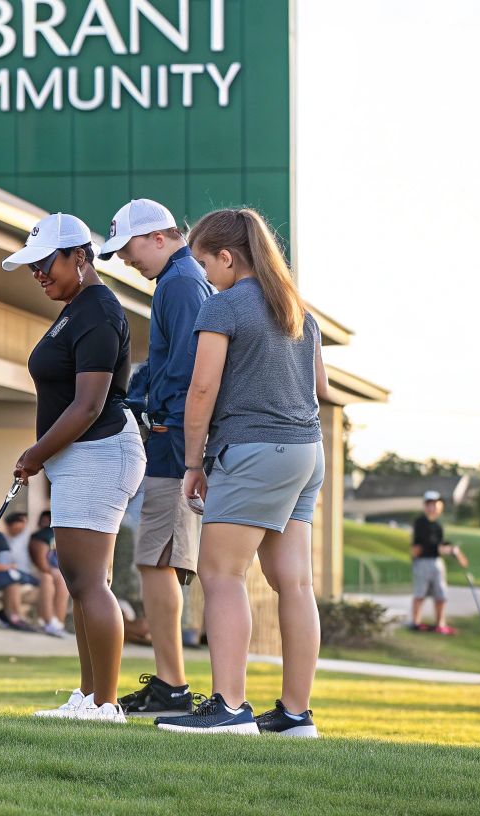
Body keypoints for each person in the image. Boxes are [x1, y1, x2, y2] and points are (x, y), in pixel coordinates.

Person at [156, 208, 329, 739]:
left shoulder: (225, 307)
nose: (205, 275)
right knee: (294, 583)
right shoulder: (299, 311)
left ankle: (229, 707)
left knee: (221, 575)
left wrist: (191, 463)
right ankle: (296, 715)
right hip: (307, 454)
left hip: (252, 451)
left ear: (228, 257)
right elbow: (319, 387)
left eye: (207, 263)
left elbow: (201, 391)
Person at [3, 214, 143, 724]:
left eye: (45, 264)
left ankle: (107, 704)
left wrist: (35, 453)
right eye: (32, 268)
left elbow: (88, 405)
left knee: (88, 582)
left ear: (79, 256)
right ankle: (88, 697)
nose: (38, 274)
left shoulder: (98, 310)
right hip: (80, 457)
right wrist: (43, 454)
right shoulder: (77, 308)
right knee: (81, 578)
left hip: (100, 450)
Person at [100, 199, 212, 717]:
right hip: (170, 439)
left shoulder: (179, 283)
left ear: (159, 237)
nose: (127, 260)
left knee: (157, 560)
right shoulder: (179, 280)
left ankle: (173, 686)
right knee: (156, 560)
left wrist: (161, 413)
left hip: (173, 442)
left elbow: (191, 363)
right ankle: (170, 682)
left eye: (130, 249)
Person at [410, 490, 466, 634]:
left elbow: (440, 543)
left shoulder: (438, 526)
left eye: (435, 504)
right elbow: (423, 545)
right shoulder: (420, 523)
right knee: (420, 594)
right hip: (422, 562)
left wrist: (453, 550)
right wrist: (442, 549)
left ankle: (440, 624)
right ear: (425, 506)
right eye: (430, 504)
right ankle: (416, 623)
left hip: (436, 562)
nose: (433, 507)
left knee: (441, 595)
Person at [29, 510, 69, 636]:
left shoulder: (59, 535)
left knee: (63, 583)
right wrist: (51, 572)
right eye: (44, 520)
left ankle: (58, 623)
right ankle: (49, 621)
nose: (46, 522)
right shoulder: (39, 536)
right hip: (37, 571)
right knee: (47, 578)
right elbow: (41, 563)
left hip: (53, 571)